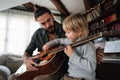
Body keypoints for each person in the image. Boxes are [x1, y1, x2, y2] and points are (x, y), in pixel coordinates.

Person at [9, 7, 103, 80]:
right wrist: (26, 59)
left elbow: (85, 39)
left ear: (52, 15)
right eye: (43, 24)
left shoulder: (67, 28)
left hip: (60, 69)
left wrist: (94, 52)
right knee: (13, 78)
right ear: (38, 23)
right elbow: (28, 51)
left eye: (48, 20)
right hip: (41, 66)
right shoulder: (38, 34)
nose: (47, 25)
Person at [42, 13, 96, 80]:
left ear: (79, 31)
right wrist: (48, 44)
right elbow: (59, 40)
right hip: (70, 76)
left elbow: (91, 67)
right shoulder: (70, 41)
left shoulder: (88, 45)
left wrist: (72, 55)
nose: (65, 34)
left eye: (68, 32)